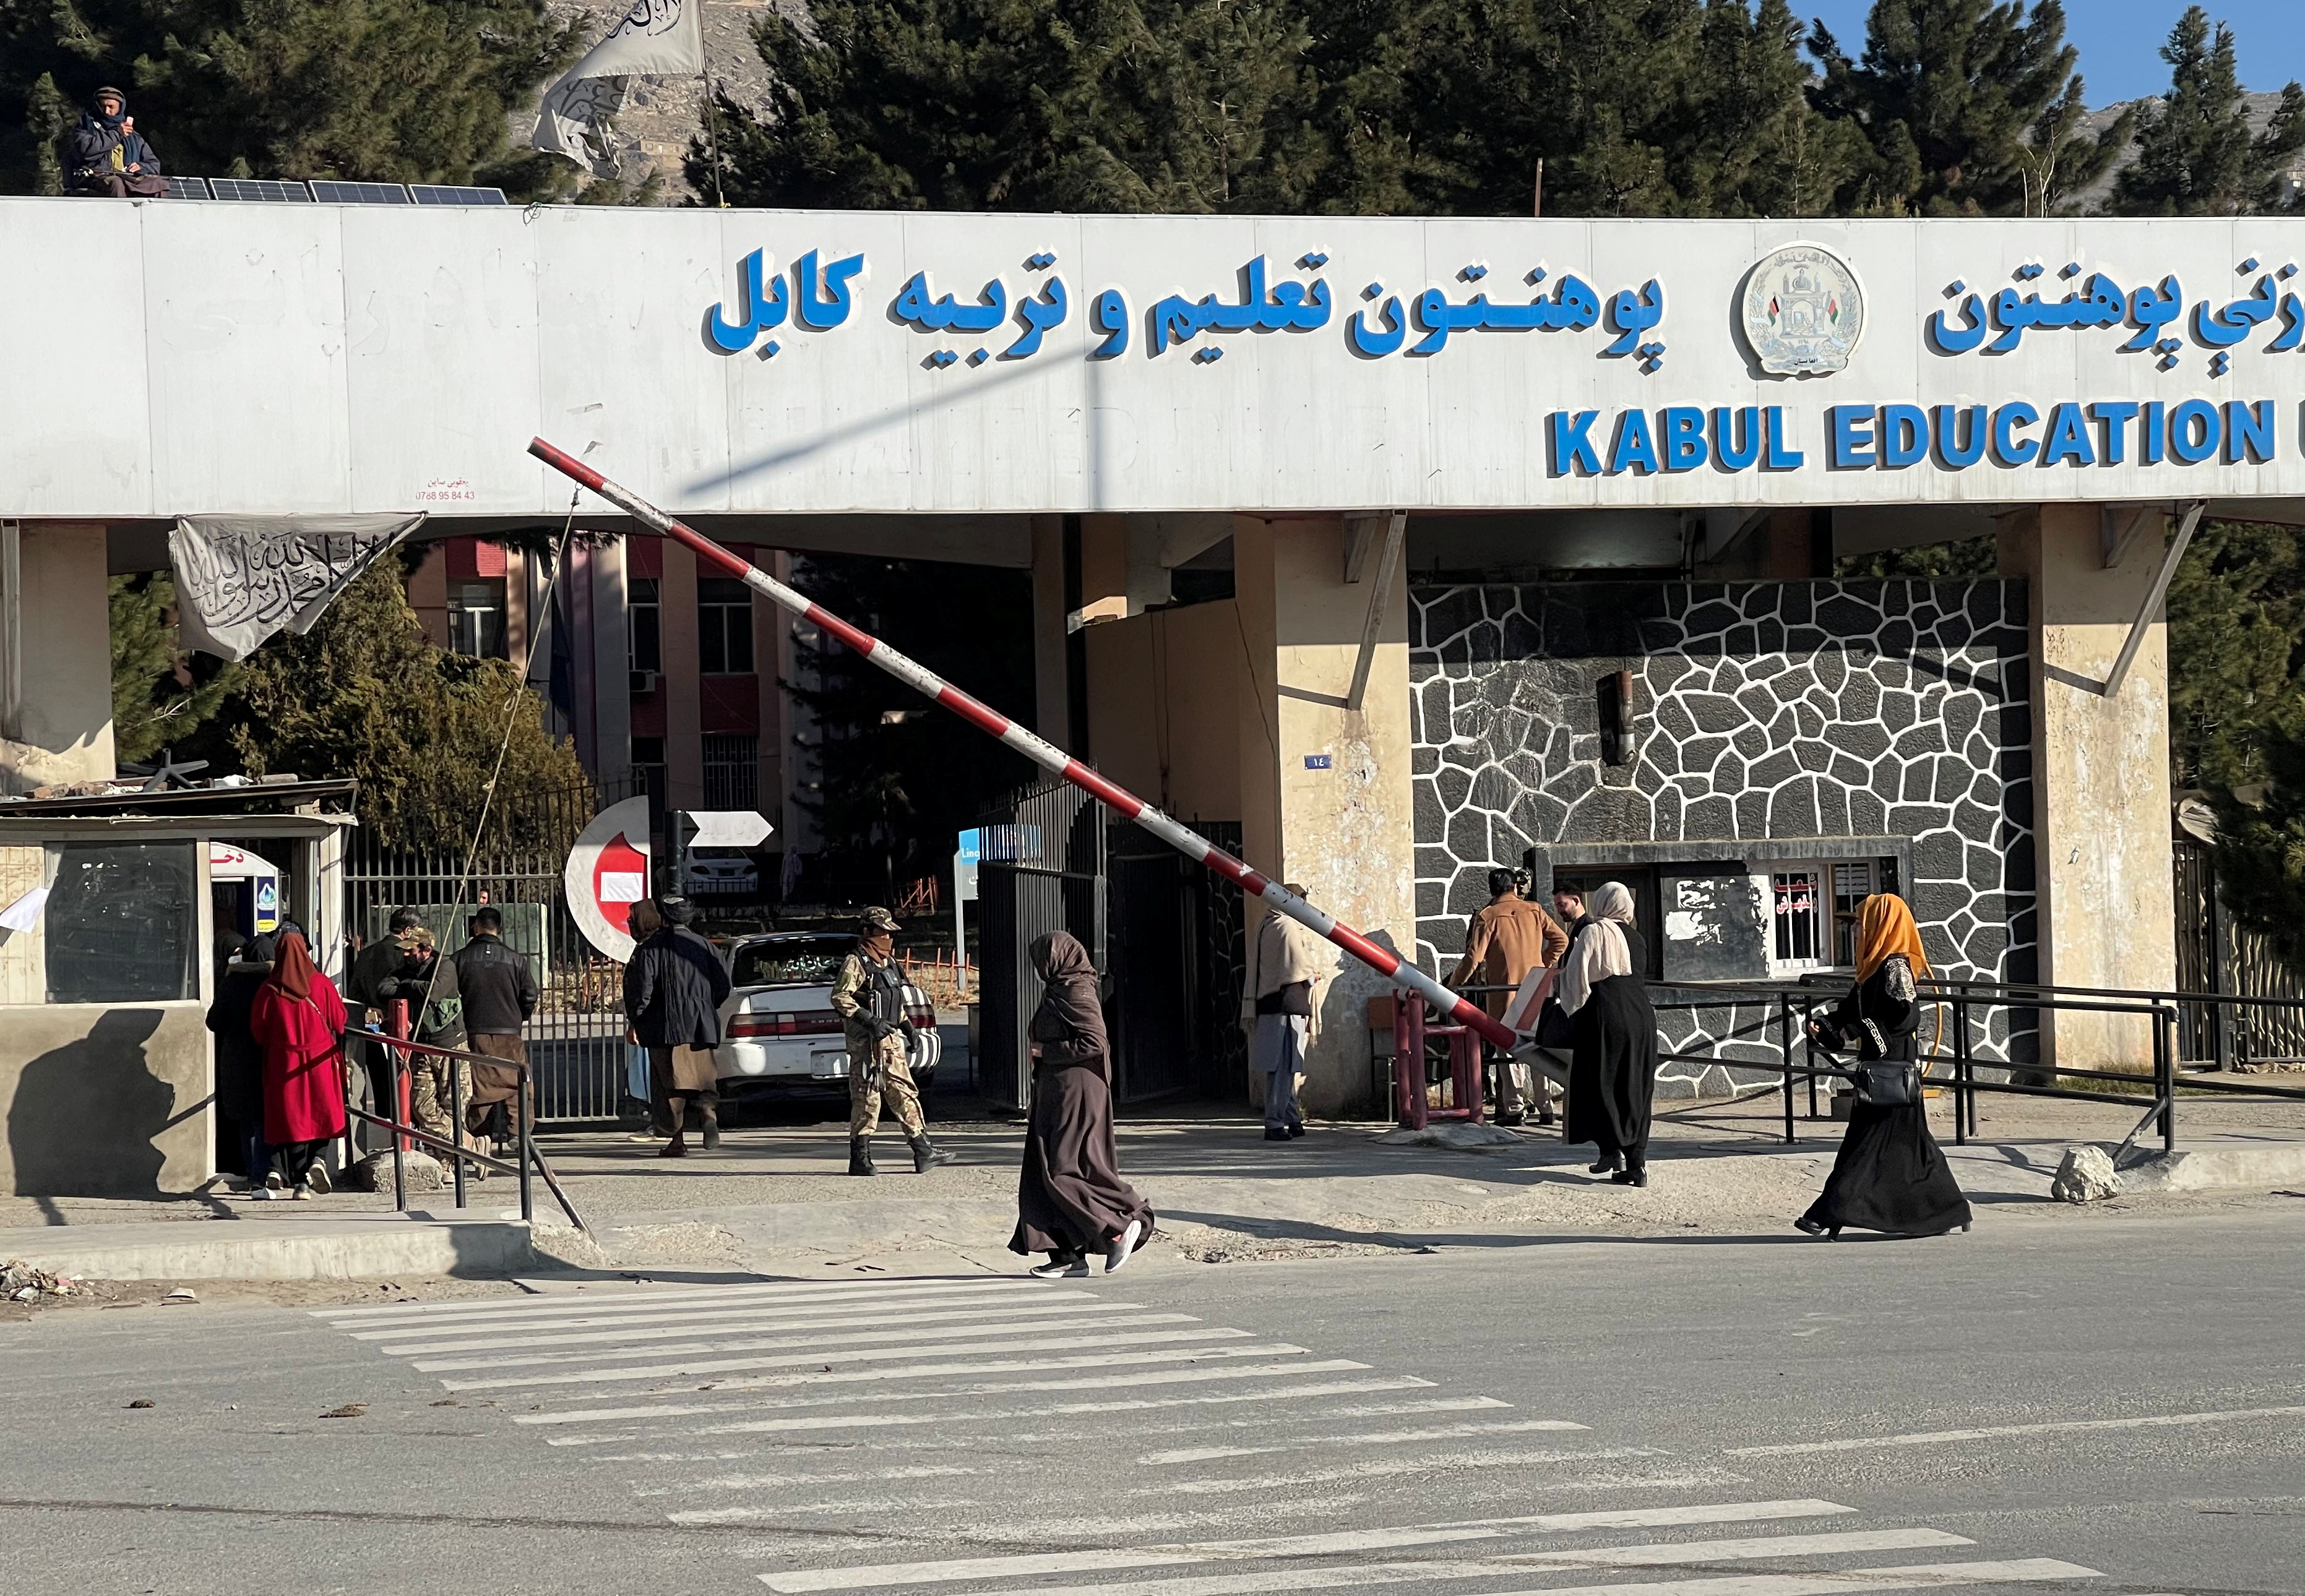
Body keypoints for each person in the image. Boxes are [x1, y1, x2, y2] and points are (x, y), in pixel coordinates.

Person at [1798, 895, 1973, 1240]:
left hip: (1892, 1067)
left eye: (1863, 923)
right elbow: (1851, 1011)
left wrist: (1861, 1028)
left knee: (1864, 1142)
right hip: (1879, 1067)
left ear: (1883, 925)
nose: (1858, 930)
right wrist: (1829, 1026)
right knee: (1914, 1146)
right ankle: (1949, 1208)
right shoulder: (1872, 968)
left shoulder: (1895, 967)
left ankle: (1827, 1212)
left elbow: (1905, 1018)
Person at [1010, 930, 1156, 1279]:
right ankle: (1067, 1255)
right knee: (1047, 1171)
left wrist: (1048, 1052)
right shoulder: (1060, 989)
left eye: (1041, 961)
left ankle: (1121, 1222)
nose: (1038, 968)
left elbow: (1094, 1042)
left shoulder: (1077, 990)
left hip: (1076, 1092)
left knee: (1066, 1170)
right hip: (1056, 1092)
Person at [829, 907, 954, 1176]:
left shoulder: (889, 962)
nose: (887, 936)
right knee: (867, 1096)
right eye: (881, 931)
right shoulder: (857, 961)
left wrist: (908, 1027)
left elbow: (891, 999)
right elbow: (841, 997)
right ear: (866, 932)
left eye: (889, 931)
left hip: (890, 1041)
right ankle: (860, 1158)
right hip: (867, 1042)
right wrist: (869, 1021)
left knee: (904, 1092)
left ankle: (923, 1150)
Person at [1554, 882, 1658, 1186]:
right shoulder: (1636, 938)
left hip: (1605, 1018)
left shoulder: (1593, 932)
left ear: (1600, 903)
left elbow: (1576, 981)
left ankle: (1609, 1152)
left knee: (1600, 1085)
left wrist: (1563, 1006)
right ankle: (1636, 1166)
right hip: (1641, 1020)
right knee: (1635, 1090)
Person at [1447, 868, 1569, 1126]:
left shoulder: (1488, 916)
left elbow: (1474, 957)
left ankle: (1515, 1109)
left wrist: (1455, 984)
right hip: (1536, 989)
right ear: (1515, 887)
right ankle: (1546, 1107)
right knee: (1538, 1046)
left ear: (1492, 890)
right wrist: (1543, 966)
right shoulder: (1535, 910)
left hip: (1503, 994)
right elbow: (1561, 940)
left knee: (1509, 1049)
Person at [623, 895, 732, 1158]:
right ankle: (708, 1113)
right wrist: (704, 1006)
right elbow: (723, 987)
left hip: (664, 1027)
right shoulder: (706, 946)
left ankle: (677, 1140)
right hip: (701, 1024)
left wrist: (637, 1020)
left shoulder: (651, 948)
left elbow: (643, 992)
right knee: (704, 1078)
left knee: (669, 1086)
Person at [246, 932, 348, 1199]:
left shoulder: (269, 991)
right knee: (322, 1114)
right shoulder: (322, 984)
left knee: (291, 1118)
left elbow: (258, 1031)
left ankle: (292, 1177)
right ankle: (318, 1160)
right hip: (321, 1060)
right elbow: (339, 1021)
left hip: (284, 1063)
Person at [377, 927, 476, 1176]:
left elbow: (434, 992)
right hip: (421, 1046)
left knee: (453, 1105)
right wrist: (412, 985)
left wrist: (407, 986)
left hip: (450, 1047)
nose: (406, 956)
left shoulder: (445, 966)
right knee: (422, 1106)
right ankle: (469, 1145)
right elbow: (384, 989)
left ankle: (449, 1162)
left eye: (411, 951)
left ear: (426, 950)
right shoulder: (403, 971)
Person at [1244, 888, 1329, 1141]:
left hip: (1272, 1003)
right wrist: (1313, 976)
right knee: (1283, 1066)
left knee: (1285, 1066)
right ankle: (1274, 1123)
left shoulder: (1267, 924)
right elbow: (1296, 969)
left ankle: (1293, 1120)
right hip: (1286, 1004)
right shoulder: (1286, 926)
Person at [454, 906, 540, 1151]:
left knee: (479, 1088)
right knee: (518, 1083)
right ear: (499, 930)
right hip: (509, 1033)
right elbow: (530, 995)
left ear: (475, 927)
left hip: (473, 1031)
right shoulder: (516, 959)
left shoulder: (459, 958)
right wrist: (519, 1017)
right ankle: (518, 1132)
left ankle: (478, 1137)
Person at [345, 907, 423, 1154]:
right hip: (402, 1027)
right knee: (409, 1082)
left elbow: (355, 993)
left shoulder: (366, 955)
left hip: (371, 1028)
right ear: (408, 930)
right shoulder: (407, 956)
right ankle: (410, 1136)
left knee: (381, 1083)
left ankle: (388, 1129)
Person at [206, 933, 274, 1190]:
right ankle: (264, 1172)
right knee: (265, 1119)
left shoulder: (231, 983)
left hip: (235, 1058)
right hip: (266, 1058)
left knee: (246, 1121)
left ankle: (251, 1173)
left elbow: (213, 1021)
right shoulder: (272, 985)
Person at [66, 87, 166, 198]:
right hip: (96, 178)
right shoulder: (85, 127)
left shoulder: (133, 137)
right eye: (103, 106)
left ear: (120, 108)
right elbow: (85, 151)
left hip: (129, 179)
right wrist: (117, 133)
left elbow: (154, 164)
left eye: (111, 107)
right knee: (116, 184)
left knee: (159, 184)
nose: (106, 111)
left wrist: (141, 167)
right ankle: (121, 215)